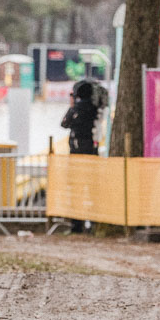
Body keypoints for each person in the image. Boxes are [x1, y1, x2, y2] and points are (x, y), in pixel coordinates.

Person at [60, 80, 101, 232]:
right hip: (91, 154)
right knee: (91, 190)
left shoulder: (77, 109)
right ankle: (93, 223)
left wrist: (72, 106)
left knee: (76, 190)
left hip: (77, 156)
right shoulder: (94, 109)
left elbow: (64, 124)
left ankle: (76, 225)